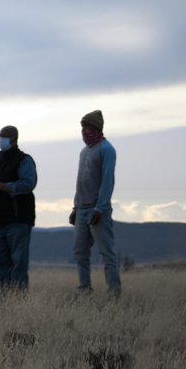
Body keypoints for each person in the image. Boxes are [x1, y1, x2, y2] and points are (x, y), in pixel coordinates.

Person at [0, 125, 37, 293]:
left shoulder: (24, 160)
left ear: (14, 139)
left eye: (4, 137)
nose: (0, 140)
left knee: (18, 264)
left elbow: (28, 184)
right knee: (0, 265)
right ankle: (3, 301)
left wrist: (2, 186)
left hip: (18, 220)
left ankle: (18, 299)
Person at [69, 109, 120, 296]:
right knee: (80, 253)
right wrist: (75, 207)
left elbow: (108, 181)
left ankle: (114, 293)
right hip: (81, 209)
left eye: (88, 127)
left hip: (98, 209)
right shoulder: (83, 152)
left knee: (107, 254)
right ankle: (84, 290)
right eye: (83, 128)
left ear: (97, 128)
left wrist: (101, 207)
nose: (85, 132)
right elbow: (80, 181)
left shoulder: (107, 150)